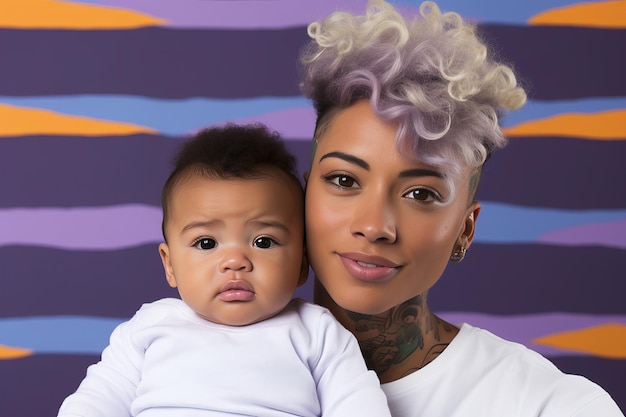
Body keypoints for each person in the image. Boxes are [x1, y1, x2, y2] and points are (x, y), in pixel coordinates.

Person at [299, 1, 624, 416]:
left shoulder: (552, 405)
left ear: (465, 229)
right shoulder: (203, 363)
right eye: (344, 181)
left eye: (421, 194)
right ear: (305, 194)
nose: (374, 225)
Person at [57, 124, 392, 416]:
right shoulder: (150, 326)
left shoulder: (317, 333)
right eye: (206, 244)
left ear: (302, 264)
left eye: (263, 241)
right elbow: (98, 398)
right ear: (170, 264)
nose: (236, 262)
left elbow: (357, 404)